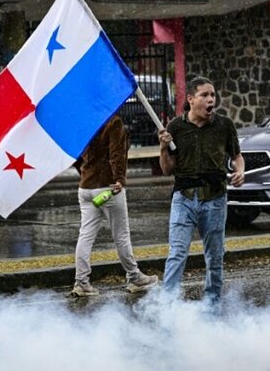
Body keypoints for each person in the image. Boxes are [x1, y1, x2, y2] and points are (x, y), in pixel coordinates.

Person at [158, 76, 245, 303]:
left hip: (215, 198)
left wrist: (240, 171)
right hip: (183, 198)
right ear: (190, 99)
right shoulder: (176, 126)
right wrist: (163, 148)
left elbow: (237, 156)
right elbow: (167, 169)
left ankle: (212, 305)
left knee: (215, 257)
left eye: (213, 95)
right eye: (204, 95)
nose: (210, 99)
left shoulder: (224, 125)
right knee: (177, 253)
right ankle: (167, 305)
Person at [71, 115, 158, 297]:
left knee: (85, 235)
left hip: (86, 187)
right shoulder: (113, 122)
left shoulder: (85, 121)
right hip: (108, 188)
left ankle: (81, 282)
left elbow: (75, 154)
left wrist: (85, 172)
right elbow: (117, 153)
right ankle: (134, 277)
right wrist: (119, 178)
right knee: (121, 235)